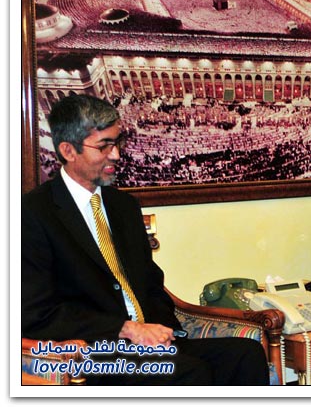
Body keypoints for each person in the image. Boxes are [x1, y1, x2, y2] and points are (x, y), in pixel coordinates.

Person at [22, 94, 269, 385]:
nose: (116, 155)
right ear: (68, 150)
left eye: (117, 143)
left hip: (149, 345)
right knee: (189, 372)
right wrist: (126, 329)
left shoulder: (124, 206)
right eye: (104, 146)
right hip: (96, 351)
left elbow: (151, 284)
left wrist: (160, 330)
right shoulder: (34, 213)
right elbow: (37, 313)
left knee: (246, 354)